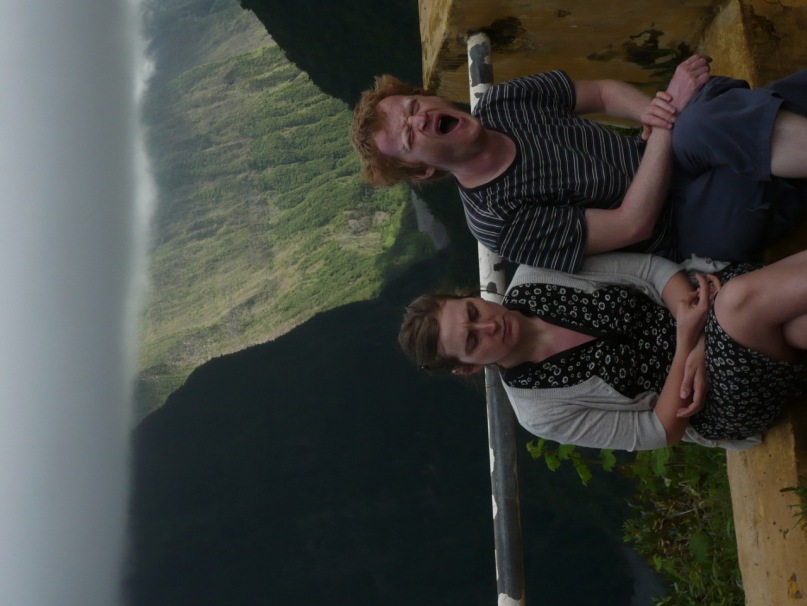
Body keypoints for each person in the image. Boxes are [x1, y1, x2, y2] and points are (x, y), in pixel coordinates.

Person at [351, 59, 807, 272]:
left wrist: (654, 113)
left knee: (705, 123)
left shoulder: (502, 102)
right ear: (423, 171)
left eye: (413, 106)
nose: (420, 119)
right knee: (722, 131)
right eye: (409, 138)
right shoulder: (497, 222)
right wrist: (666, 122)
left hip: (663, 152)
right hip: (683, 226)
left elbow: (603, 92)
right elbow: (632, 224)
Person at [398, 252, 807, 451]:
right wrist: (688, 343)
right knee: (737, 304)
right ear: (469, 368)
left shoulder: (536, 275)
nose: (488, 326)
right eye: (473, 341)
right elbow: (659, 431)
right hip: (713, 400)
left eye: (472, 312)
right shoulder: (538, 411)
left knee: (787, 324)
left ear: (470, 295)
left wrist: (695, 330)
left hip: (698, 305)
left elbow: (650, 270)